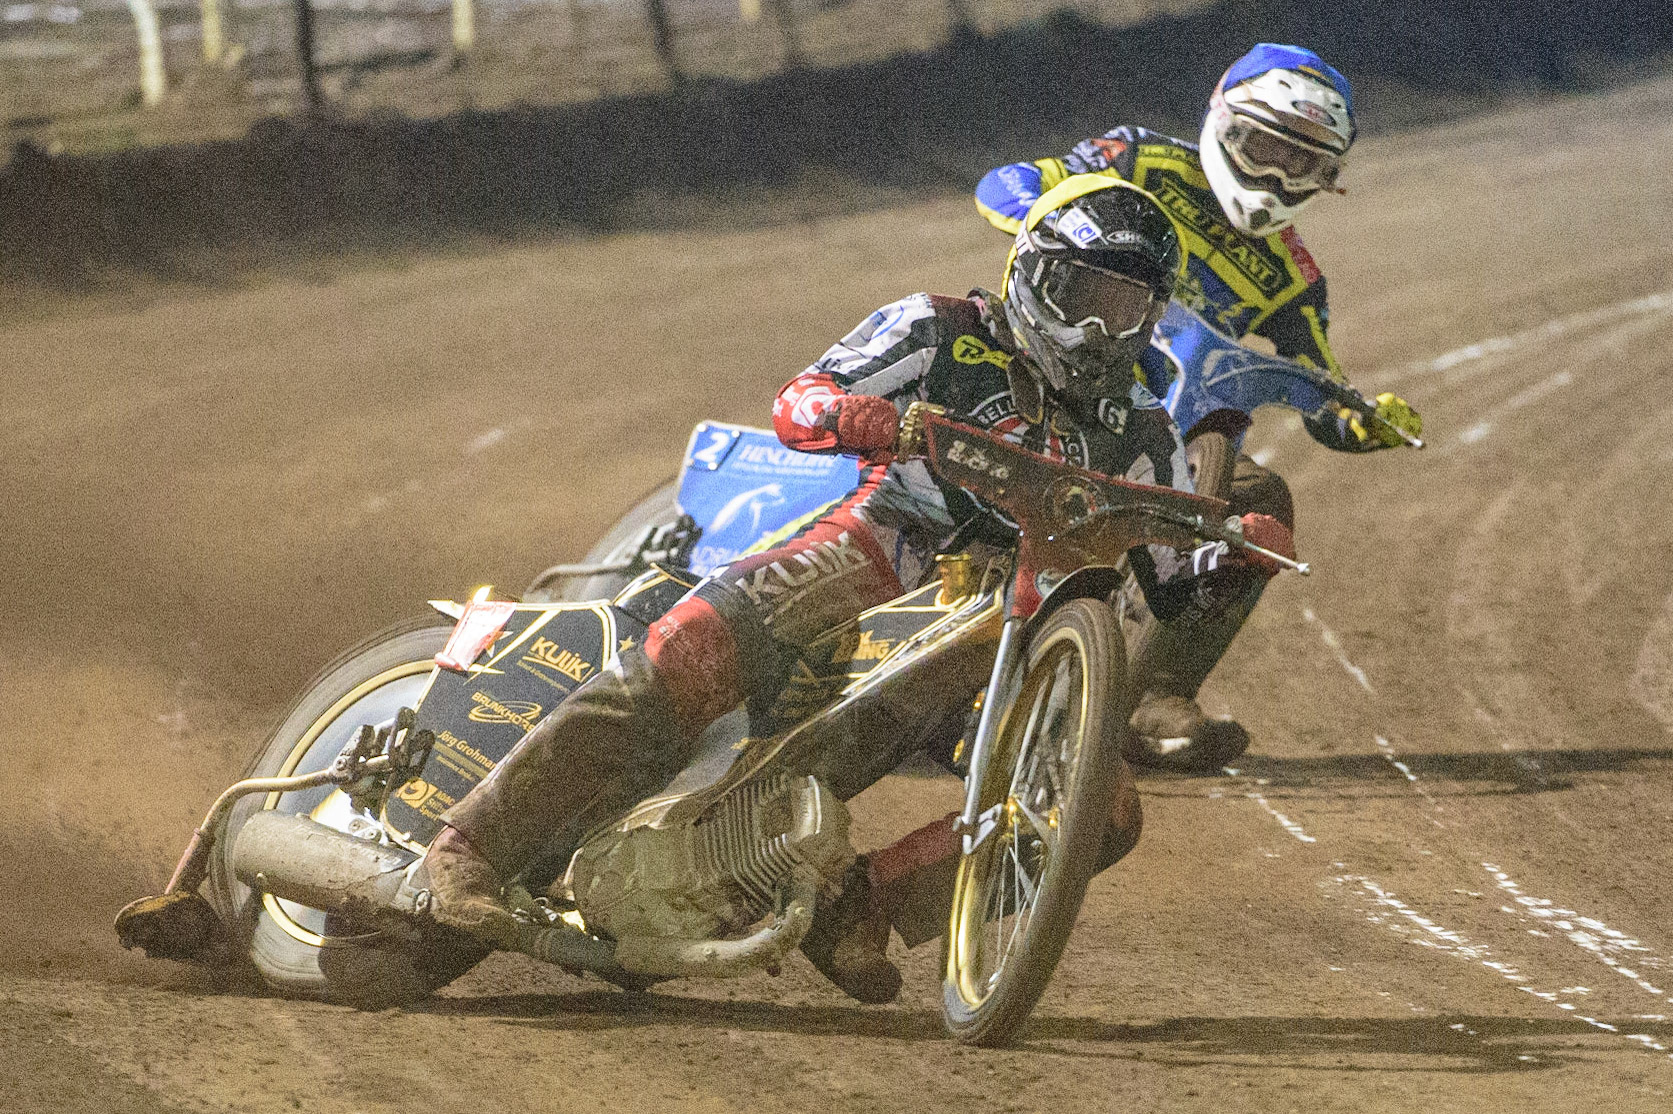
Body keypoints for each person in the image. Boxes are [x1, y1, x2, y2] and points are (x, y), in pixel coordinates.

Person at [413, 175, 1294, 1004]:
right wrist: (853, 415)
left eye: (1124, 309)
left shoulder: (1140, 427)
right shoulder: (936, 329)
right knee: (692, 647)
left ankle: (859, 908)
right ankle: (468, 850)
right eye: (1082, 298)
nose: (1099, 331)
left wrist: (1234, 556)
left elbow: (1170, 593)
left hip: (1015, 622)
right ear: (1031, 275)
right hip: (883, 545)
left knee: (1103, 814)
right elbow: (800, 403)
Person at [973, 43, 1423, 768]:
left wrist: (1364, 421)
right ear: (1222, 122)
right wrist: (1042, 215)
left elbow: (1319, 381)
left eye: (1300, 162)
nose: (1273, 174)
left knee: (1258, 501)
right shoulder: (1138, 159)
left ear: (1326, 177)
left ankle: (1152, 694)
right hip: (1041, 356)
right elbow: (1006, 183)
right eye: (1262, 147)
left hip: (1157, 411)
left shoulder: (1292, 277)